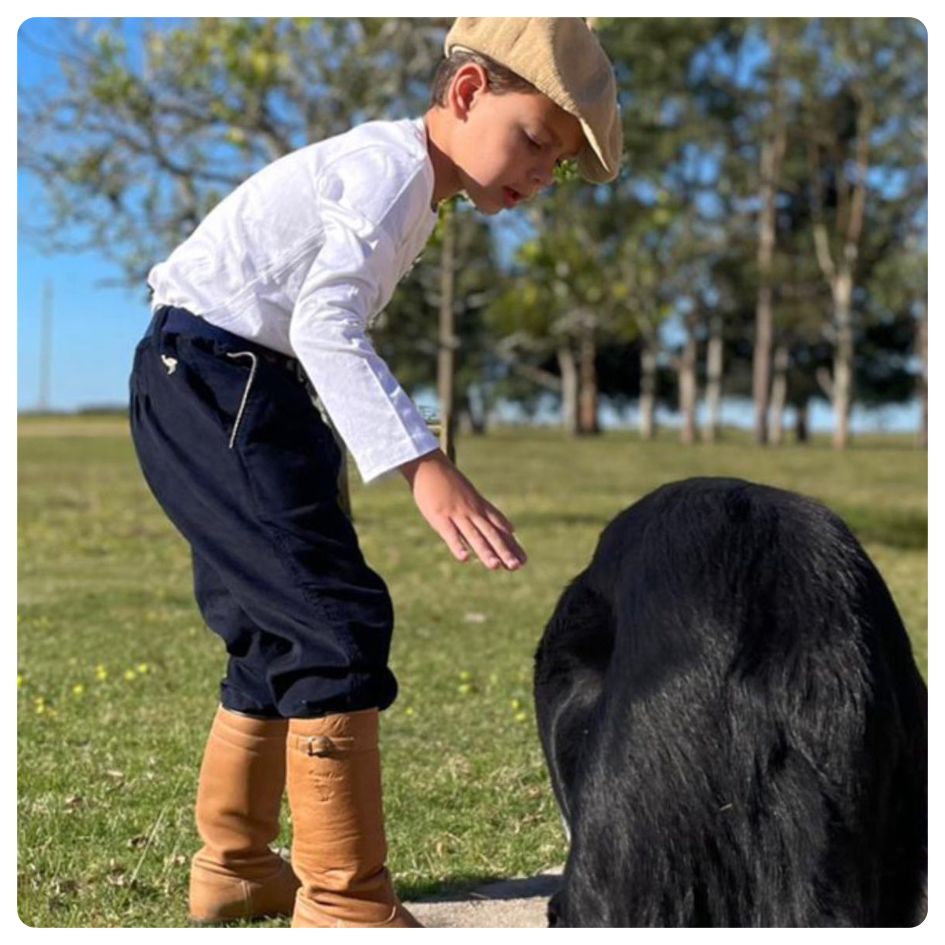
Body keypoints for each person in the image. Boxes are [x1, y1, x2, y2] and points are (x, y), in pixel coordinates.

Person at [129, 17, 621, 929]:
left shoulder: (404, 181)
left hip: (229, 378)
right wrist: (426, 466)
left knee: (278, 626)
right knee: (334, 621)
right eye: (536, 141)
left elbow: (313, 329)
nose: (542, 174)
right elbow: (325, 325)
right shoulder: (392, 171)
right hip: (219, 372)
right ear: (468, 93)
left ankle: (235, 865)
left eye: (556, 165)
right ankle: (345, 905)